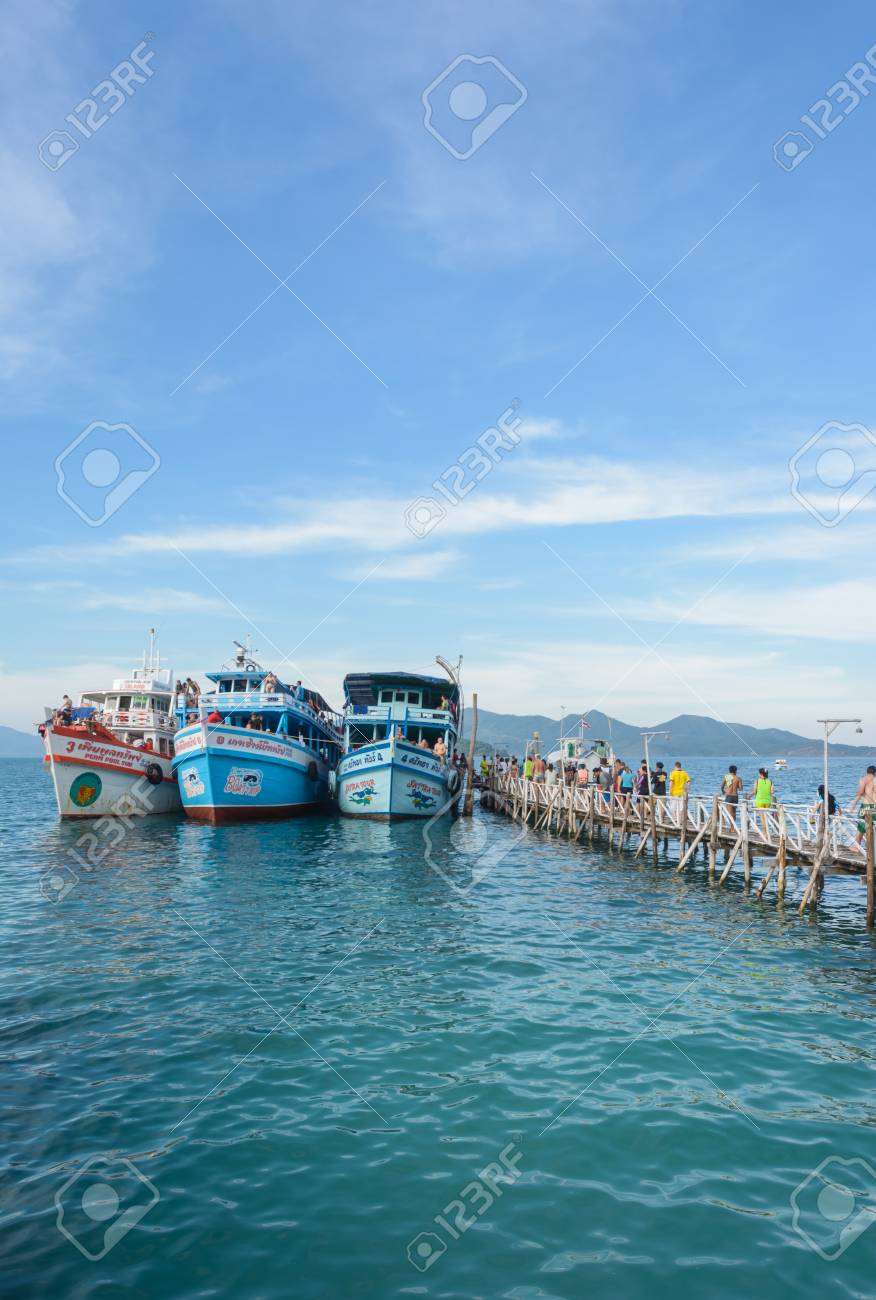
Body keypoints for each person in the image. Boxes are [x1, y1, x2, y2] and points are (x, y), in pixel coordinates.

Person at [850, 766, 876, 850]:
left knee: (861, 827)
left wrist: (853, 804)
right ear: (875, 773)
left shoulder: (864, 779)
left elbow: (861, 792)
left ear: (867, 772)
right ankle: (870, 848)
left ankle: (857, 847)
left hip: (866, 807)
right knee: (872, 826)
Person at [750, 767, 774, 833]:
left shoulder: (757, 781)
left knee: (762, 818)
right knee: (765, 817)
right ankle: (766, 832)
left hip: (760, 801)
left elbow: (754, 792)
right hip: (768, 801)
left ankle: (765, 833)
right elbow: (772, 792)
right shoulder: (770, 781)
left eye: (759, 773)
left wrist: (749, 796)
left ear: (761, 774)